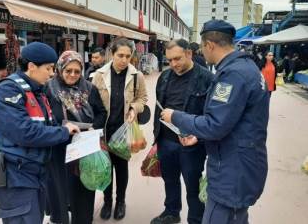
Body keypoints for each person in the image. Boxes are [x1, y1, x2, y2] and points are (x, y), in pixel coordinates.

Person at [161, 20, 269, 224]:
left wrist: (176, 116)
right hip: (239, 162)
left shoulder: (232, 75)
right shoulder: (244, 67)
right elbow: (228, 120)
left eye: (202, 47)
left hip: (232, 168)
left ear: (209, 45)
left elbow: (215, 124)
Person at [0, 42, 80, 224]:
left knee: (35, 218)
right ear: (31, 66)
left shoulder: (37, 92)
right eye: (49, 68)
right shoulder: (7, 91)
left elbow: (47, 125)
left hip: (35, 173)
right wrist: (62, 131)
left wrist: (72, 132)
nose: (52, 73)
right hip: (16, 177)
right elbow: (24, 133)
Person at [151, 39, 213, 224]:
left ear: (189, 53)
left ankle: (195, 219)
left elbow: (211, 116)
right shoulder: (164, 77)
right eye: (169, 60)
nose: (173, 64)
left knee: (192, 186)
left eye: (177, 58)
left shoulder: (207, 78)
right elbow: (158, 107)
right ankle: (171, 211)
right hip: (166, 142)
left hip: (192, 146)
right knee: (169, 180)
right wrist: (157, 137)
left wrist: (199, 138)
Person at [45, 51, 107, 224]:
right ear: (60, 69)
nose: (73, 75)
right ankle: (60, 218)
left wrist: (94, 127)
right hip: (59, 147)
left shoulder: (89, 88)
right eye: (68, 70)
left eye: (77, 71)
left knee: (82, 187)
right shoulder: (49, 89)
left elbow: (101, 112)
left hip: (84, 147)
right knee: (60, 186)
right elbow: (44, 118)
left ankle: (83, 219)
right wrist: (61, 128)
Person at [91, 37, 148, 221]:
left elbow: (142, 99)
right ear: (111, 54)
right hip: (103, 132)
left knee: (122, 169)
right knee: (106, 168)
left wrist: (134, 108)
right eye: (120, 55)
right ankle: (107, 202)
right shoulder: (98, 75)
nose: (124, 60)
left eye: (128, 56)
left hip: (123, 131)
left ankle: (121, 201)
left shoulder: (136, 76)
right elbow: (92, 103)